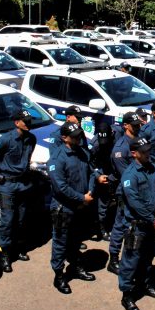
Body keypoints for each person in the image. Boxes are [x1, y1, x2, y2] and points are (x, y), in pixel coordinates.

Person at [48, 121, 101, 294]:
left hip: (81, 206)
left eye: (79, 135)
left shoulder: (82, 152)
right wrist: (82, 197)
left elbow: (92, 172)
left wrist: (91, 190)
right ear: (64, 138)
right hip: (64, 208)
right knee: (60, 242)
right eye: (75, 137)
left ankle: (76, 266)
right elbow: (60, 187)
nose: (78, 139)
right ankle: (59, 275)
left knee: (76, 239)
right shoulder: (57, 159)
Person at [118, 136, 155, 310]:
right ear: (134, 154)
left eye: (149, 150)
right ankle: (127, 295)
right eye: (144, 152)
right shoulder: (130, 175)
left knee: (148, 257)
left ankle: (145, 285)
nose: (148, 154)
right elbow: (135, 203)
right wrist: (153, 218)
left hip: (153, 222)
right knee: (130, 261)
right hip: (138, 226)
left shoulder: (154, 168)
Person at [0, 109, 37, 273]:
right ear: (17, 123)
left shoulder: (31, 139)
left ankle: (20, 247)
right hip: (8, 185)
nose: (29, 124)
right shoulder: (4, 140)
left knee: (22, 218)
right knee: (7, 220)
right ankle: (5, 254)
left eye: (29, 121)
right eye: (25, 121)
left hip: (24, 184)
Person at [107, 111, 143, 274]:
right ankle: (114, 259)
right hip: (127, 192)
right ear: (126, 125)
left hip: (141, 189)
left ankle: (130, 257)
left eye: (138, 125)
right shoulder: (120, 149)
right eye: (134, 125)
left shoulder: (139, 140)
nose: (137, 127)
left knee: (134, 227)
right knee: (121, 225)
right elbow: (127, 175)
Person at [91, 122, 116, 240]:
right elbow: (89, 163)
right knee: (102, 202)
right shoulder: (95, 145)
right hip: (100, 172)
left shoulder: (117, 136)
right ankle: (101, 228)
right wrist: (97, 175)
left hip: (113, 170)